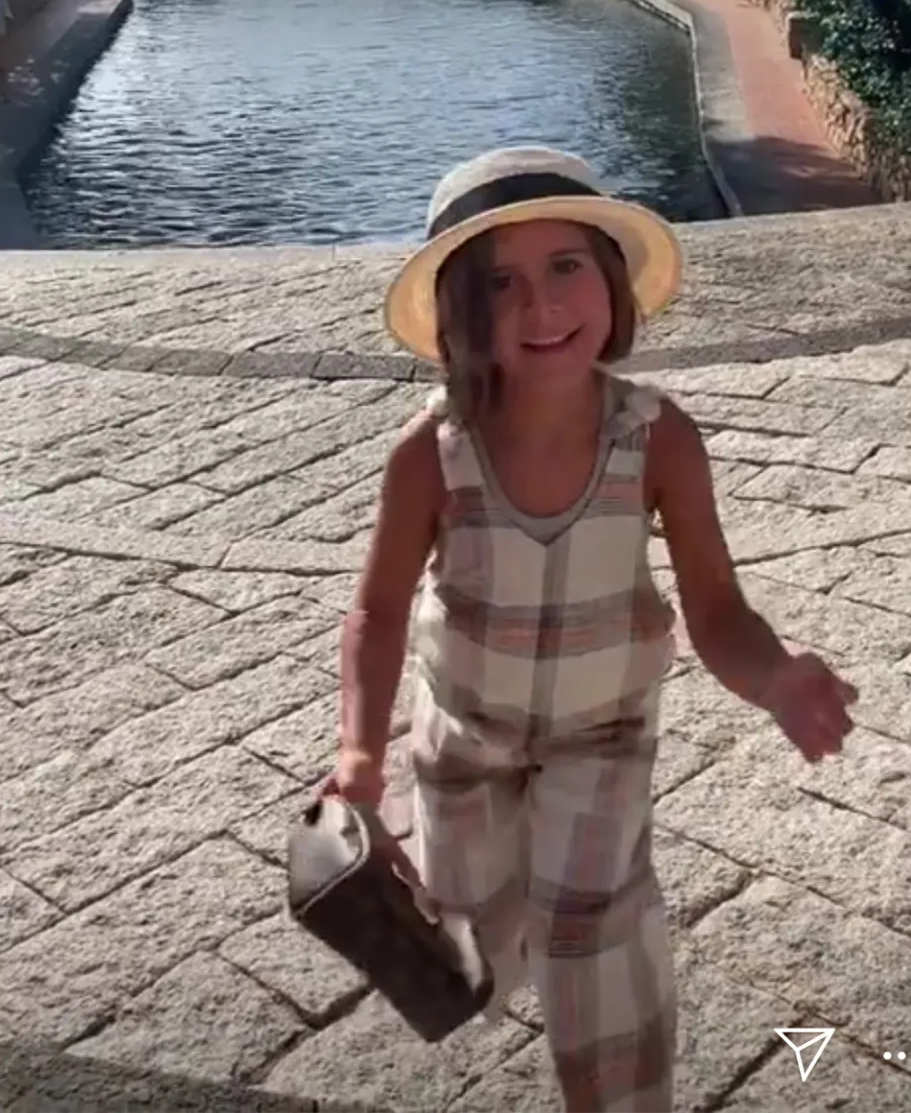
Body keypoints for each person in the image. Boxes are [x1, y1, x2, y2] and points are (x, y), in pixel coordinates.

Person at [327, 147, 858, 1111]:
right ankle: (483, 947)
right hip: (464, 746)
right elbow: (377, 609)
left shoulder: (656, 438)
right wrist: (359, 749)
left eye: (565, 265)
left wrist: (776, 676)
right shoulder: (431, 454)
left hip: (600, 742)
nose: (541, 303)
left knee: (598, 948)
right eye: (501, 282)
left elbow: (717, 609)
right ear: (459, 311)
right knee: (469, 949)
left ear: (611, 280)